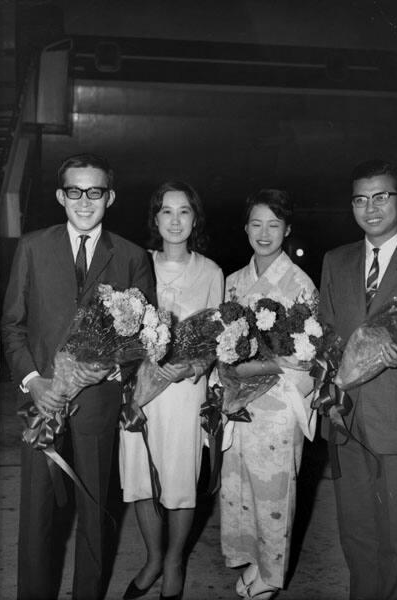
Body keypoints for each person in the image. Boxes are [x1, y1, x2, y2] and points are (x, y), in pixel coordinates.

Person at [1, 153, 155, 600]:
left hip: (98, 403)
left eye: (94, 192)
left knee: (94, 513)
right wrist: (35, 380)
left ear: (110, 197)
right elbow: (12, 325)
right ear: (59, 196)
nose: (84, 201)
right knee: (37, 515)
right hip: (41, 402)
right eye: (74, 191)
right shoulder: (32, 246)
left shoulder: (130, 256)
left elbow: (143, 337)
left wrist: (106, 367)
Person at [319, 159, 397, 600]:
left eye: (381, 197)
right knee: (355, 534)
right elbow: (322, 334)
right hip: (344, 421)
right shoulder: (335, 261)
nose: (371, 207)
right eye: (361, 199)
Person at [119, 181, 224, 600]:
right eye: (166, 211)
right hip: (140, 389)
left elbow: (218, 340)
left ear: (194, 219)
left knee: (180, 481)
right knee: (139, 477)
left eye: (184, 212)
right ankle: (153, 559)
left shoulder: (211, 271)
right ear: (155, 218)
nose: (175, 220)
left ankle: (176, 560)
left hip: (184, 393)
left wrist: (195, 364)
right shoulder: (134, 262)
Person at [219, 189, 317, 600]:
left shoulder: (299, 283)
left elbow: (308, 352)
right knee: (239, 484)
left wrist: (266, 365)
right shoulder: (233, 281)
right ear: (245, 228)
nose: (264, 233)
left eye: (274, 224)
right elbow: (223, 343)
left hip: (279, 402)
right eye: (256, 223)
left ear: (287, 229)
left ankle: (272, 573)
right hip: (239, 403)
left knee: (273, 491)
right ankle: (253, 558)